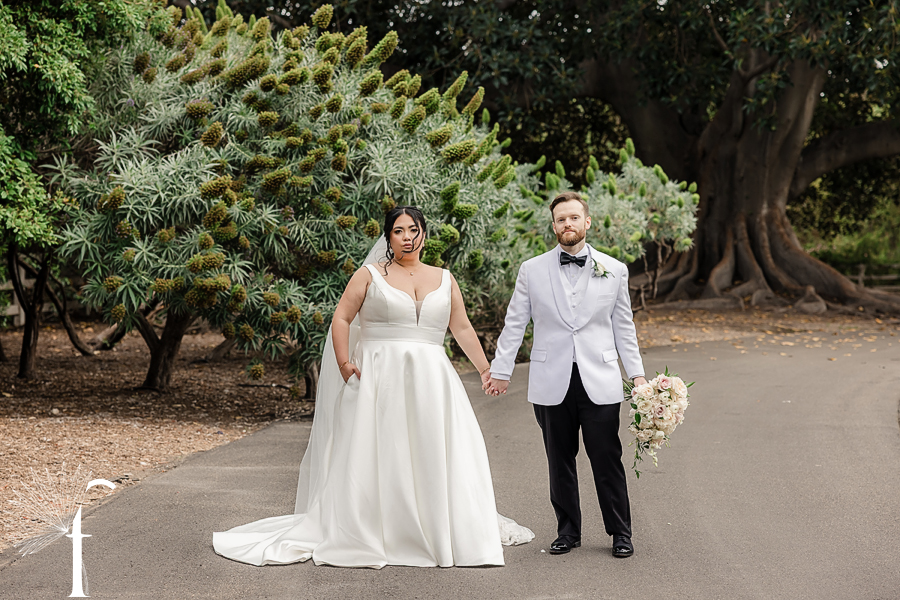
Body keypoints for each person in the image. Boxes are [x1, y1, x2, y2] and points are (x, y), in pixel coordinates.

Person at [213, 206, 532, 568]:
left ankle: (436, 527)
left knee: (433, 447)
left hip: (433, 379)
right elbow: (342, 317)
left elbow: (460, 328)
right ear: (388, 237)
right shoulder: (369, 275)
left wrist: (486, 369)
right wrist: (346, 363)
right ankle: (375, 530)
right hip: (378, 378)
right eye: (399, 230)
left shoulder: (445, 278)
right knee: (377, 450)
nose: (408, 236)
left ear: (424, 234)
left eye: (414, 229)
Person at [485, 191, 647, 559]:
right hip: (549, 379)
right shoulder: (532, 270)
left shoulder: (615, 269)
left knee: (607, 458)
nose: (567, 224)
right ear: (554, 226)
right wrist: (501, 370)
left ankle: (621, 533)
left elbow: (624, 328)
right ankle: (568, 532)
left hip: (600, 379)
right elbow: (515, 323)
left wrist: (636, 375)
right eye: (561, 219)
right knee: (559, 460)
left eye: (574, 218)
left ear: (587, 222)